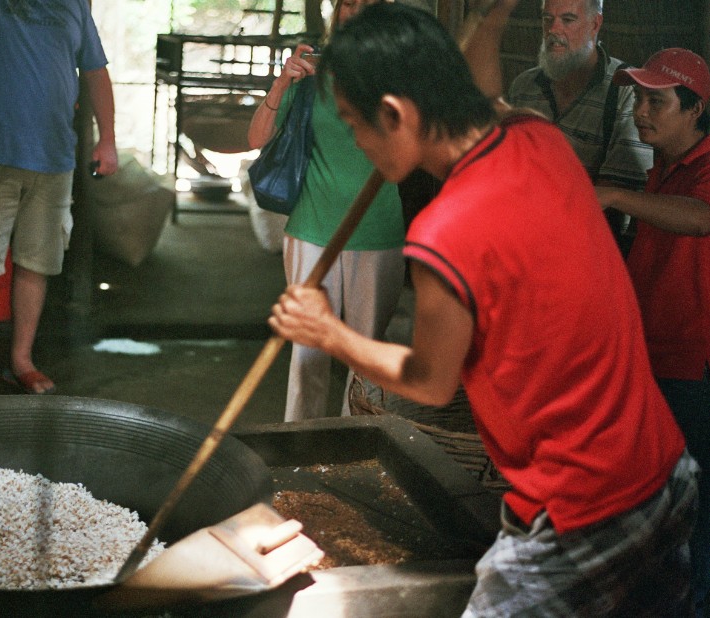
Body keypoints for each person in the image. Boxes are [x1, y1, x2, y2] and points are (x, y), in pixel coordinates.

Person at [269, 2, 699, 614]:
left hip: (578, 509)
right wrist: (492, 21)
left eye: (355, 123)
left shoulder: (444, 233)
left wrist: (328, 332)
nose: (358, 142)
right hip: (662, 469)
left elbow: (429, 380)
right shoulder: (537, 136)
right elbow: (487, 94)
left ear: (395, 113)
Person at [0, 0, 117, 400]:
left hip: (54, 156)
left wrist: (108, 139)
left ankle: (22, 361)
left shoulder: (76, 3)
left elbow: (96, 70)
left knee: (37, 263)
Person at [247, 0, 406, 422]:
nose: (354, 12)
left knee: (367, 360)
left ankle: (355, 459)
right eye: (348, 3)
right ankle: (300, 457)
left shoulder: (402, 70)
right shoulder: (312, 70)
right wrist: (283, 81)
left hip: (378, 229)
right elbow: (256, 137)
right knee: (307, 356)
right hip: (312, 228)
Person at [595, 48, 710, 617]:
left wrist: (614, 197)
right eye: (637, 99)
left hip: (694, 368)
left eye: (656, 101)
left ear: (695, 109)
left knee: (696, 513)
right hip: (654, 358)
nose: (641, 111)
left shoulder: (705, 168)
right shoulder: (660, 168)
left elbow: (700, 217)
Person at [507, 0, 652, 255]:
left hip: (588, 249)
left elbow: (613, 198)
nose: (553, 29)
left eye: (568, 20)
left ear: (595, 24)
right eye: (547, 19)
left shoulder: (624, 90)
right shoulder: (524, 87)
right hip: (520, 243)